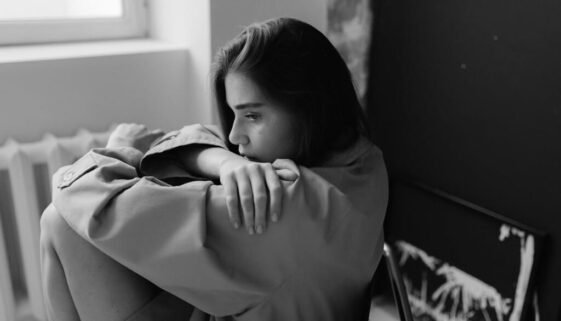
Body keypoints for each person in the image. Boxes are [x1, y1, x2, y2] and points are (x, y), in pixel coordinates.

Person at [40, 17, 388, 321]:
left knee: (60, 222)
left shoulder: (274, 206)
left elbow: (84, 199)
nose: (236, 137)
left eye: (252, 115)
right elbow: (204, 138)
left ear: (311, 107)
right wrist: (223, 161)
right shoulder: (364, 162)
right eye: (234, 114)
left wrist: (120, 148)